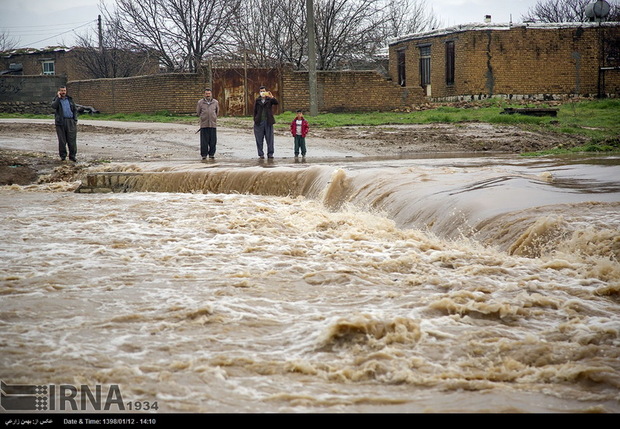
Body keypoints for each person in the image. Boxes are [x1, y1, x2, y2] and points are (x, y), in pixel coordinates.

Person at [51, 86, 78, 162]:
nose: (63, 92)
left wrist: (75, 120)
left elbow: (75, 110)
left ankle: (72, 156)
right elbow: (53, 106)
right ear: (59, 91)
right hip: (60, 123)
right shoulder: (56, 100)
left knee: (72, 140)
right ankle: (63, 156)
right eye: (62, 91)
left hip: (70, 122)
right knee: (62, 141)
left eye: (64, 90)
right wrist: (58, 98)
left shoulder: (70, 99)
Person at [253, 86, 279, 159]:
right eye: (261, 91)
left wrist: (271, 97)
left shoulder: (269, 99)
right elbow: (255, 111)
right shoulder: (257, 100)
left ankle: (270, 153)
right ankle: (261, 154)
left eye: (264, 91)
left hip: (268, 122)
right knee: (259, 139)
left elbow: (276, 103)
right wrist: (255, 120)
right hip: (259, 122)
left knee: (270, 139)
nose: (262, 93)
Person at [197, 88, 219, 159]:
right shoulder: (200, 102)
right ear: (204, 94)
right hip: (204, 125)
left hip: (213, 125)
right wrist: (203, 118)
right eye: (206, 94)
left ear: (211, 94)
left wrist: (214, 117)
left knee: (213, 141)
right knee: (204, 141)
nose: (208, 95)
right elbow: (198, 112)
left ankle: (212, 154)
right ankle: (204, 155)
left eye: (209, 94)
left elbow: (217, 111)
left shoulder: (215, 102)